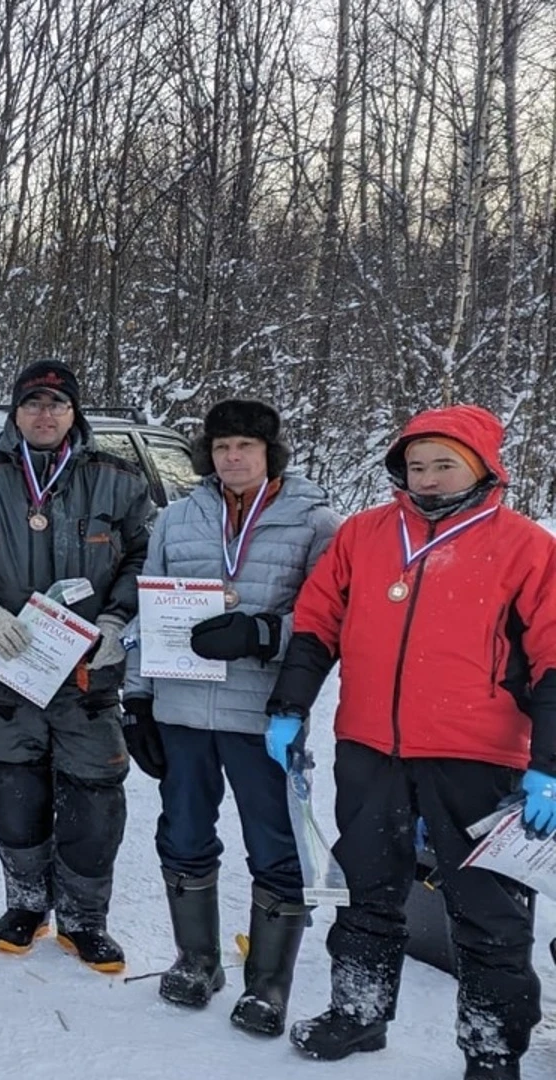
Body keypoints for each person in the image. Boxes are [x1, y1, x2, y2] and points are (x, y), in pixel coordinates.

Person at [266, 405, 556, 1080]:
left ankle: (491, 1052)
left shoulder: (525, 547)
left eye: (444, 464)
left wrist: (548, 766)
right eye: (416, 465)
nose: (427, 478)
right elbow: (315, 626)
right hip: (371, 748)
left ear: (482, 466)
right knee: (367, 891)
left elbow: (552, 661)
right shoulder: (365, 535)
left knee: (489, 915)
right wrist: (290, 708)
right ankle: (359, 1013)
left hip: (479, 759)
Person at [118, 399, 340, 1033]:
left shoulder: (314, 523)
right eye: (220, 447)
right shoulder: (178, 519)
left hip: (262, 714)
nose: (232, 457)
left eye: (245, 445)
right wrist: (136, 699)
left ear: (271, 452)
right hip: (182, 711)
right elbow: (147, 613)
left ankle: (268, 985)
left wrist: (265, 633)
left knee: (273, 844)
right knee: (183, 831)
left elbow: (333, 618)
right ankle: (197, 961)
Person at [0, 360, 151, 972]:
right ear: (15, 412)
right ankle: (27, 902)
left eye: (58, 403)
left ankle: (85, 918)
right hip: (6, 669)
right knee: (14, 788)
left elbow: (142, 554)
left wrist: (117, 619)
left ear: (74, 412)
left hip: (87, 672)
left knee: (94, 793)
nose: (46, 414)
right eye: (33, 403)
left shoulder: (119, 479)